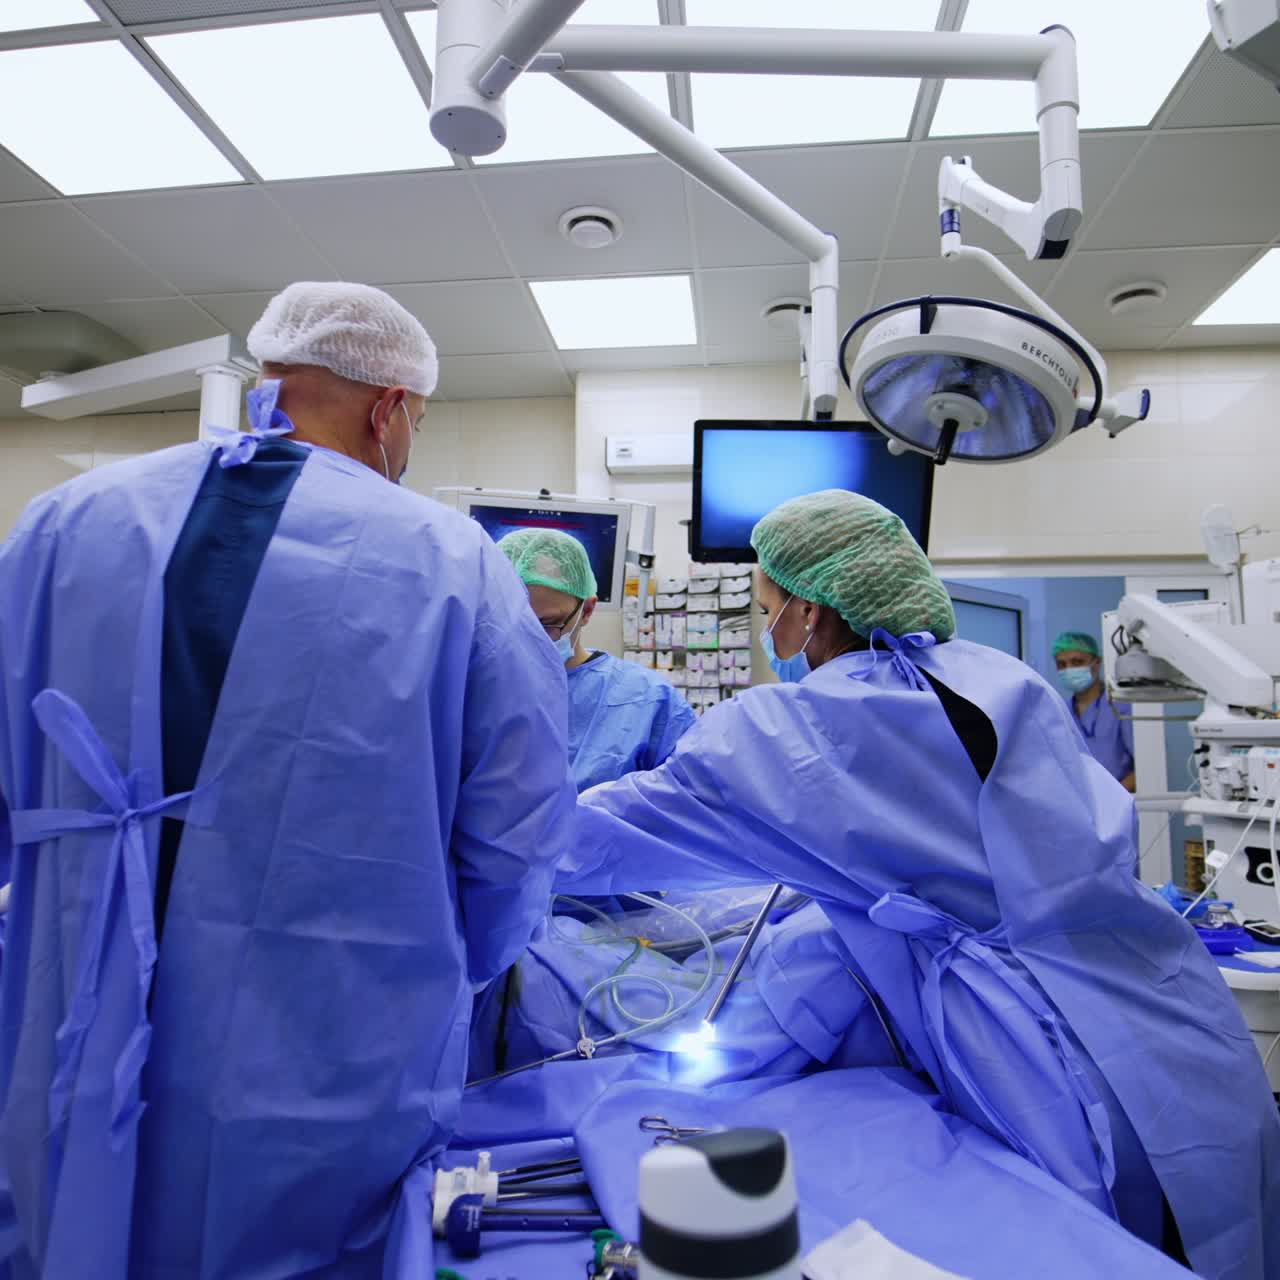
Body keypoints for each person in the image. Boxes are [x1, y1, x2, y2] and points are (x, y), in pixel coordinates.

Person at [0, 282, 576, 1277]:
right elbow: (512, 836)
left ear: (274, 377)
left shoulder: (61, 520)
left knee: (73, 1214)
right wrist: (448, 971)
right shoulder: (448, 558)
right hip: (325, 1028)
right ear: (390, 405)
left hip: (71, 990)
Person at [555, 489, 1280, 1280]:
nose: (771, 630)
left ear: (811, 611)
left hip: (1030, 1043)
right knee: (1215, 1209)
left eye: (769, 608)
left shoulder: (791, 731)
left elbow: (593, 838)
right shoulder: (1003, 681)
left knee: (1087, 1239)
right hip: (1163, 1004)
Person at [497, 527, 695, 792]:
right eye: (515, 623)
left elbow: (689, 804)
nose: (529, 639)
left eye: (548, 625)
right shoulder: (472, 689)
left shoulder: (647, 700)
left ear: (587, 610)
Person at [1054, 630, 1136, 792]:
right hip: (1079, 804)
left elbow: (1146, 764)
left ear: (1097, 662)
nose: (1068, 669)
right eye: (1061, 664)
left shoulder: (1121, 706)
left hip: (1121, 801)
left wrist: (1111, 798)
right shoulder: (1060, 711)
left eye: (1077, 662)